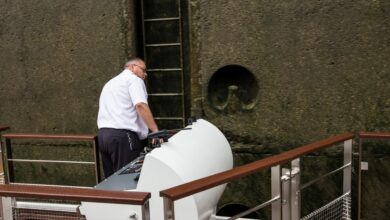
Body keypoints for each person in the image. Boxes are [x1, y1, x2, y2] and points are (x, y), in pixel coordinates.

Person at [97, 58, 159, 178]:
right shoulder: (133, 80)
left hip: (103, 136)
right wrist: (155, 131)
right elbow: (140, 105)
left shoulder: (110, 83)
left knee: (111, 181)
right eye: (143, 70)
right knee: (127, 180)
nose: (145, 74)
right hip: (123, 137)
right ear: (132, 67)